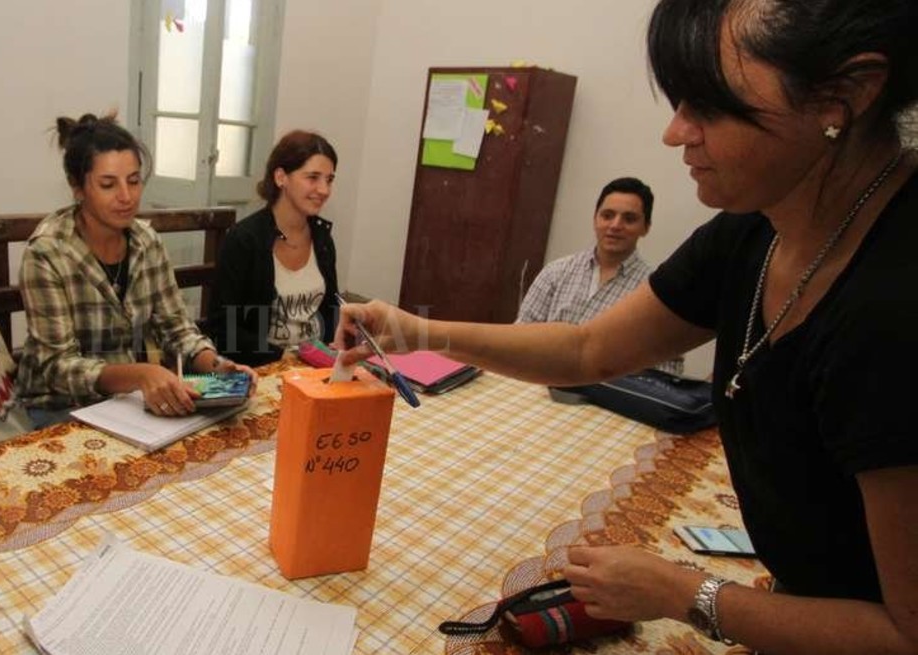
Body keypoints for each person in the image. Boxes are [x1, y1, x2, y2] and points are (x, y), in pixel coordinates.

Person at [336, 0, 918, 651]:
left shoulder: (894, 307)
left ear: (845, 95)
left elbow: (904, 629)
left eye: (708, 104)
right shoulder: (757, 226)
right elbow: (589, 347)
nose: (675, 133)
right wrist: (415, 329)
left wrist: (687, 594)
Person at [16, 112, 256, 425]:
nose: (126, 197)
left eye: (133, 181)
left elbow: (175, 327)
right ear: (77, 187)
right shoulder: (47, 253)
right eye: (107, 185)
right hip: (60, 406)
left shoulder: (146, 241)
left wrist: (214, 365)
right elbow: (58, 366)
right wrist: (141, 374)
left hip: (127, 400)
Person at [517, 177, 684, 375]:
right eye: (607, 215)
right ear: (595, 219)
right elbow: (520, 337)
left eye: (629, 219)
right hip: (540, 385)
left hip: (611, 398)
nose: (615, 225)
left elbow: (667, 372)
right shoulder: (556, 272)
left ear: (646, 227)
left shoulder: (656, 290)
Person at [206, 131, 340, 366]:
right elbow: (222, 329)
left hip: (316, 368)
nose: (324, 190)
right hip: (264, 368)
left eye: (329, 179)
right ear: (281, 177)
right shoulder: (244, 240)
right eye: (313, 178)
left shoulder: (322, 239)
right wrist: (283, 356)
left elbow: (332, 312)